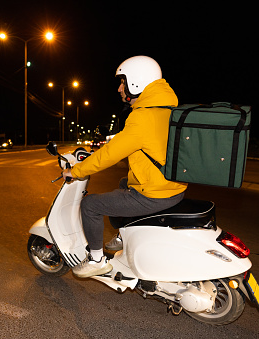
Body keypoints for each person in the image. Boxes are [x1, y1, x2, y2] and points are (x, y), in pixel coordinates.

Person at [63, 55, 187, 278]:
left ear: (137, 81)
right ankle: (125, 234)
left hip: (154, 194)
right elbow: (133, 141)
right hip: (173, 187)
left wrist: (76, 170)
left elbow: (110, 155)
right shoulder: (166, 110)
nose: (120, 89)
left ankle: (96, 259)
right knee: (123, 183)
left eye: (122, 82)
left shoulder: (142, 117)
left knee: (90, 205)